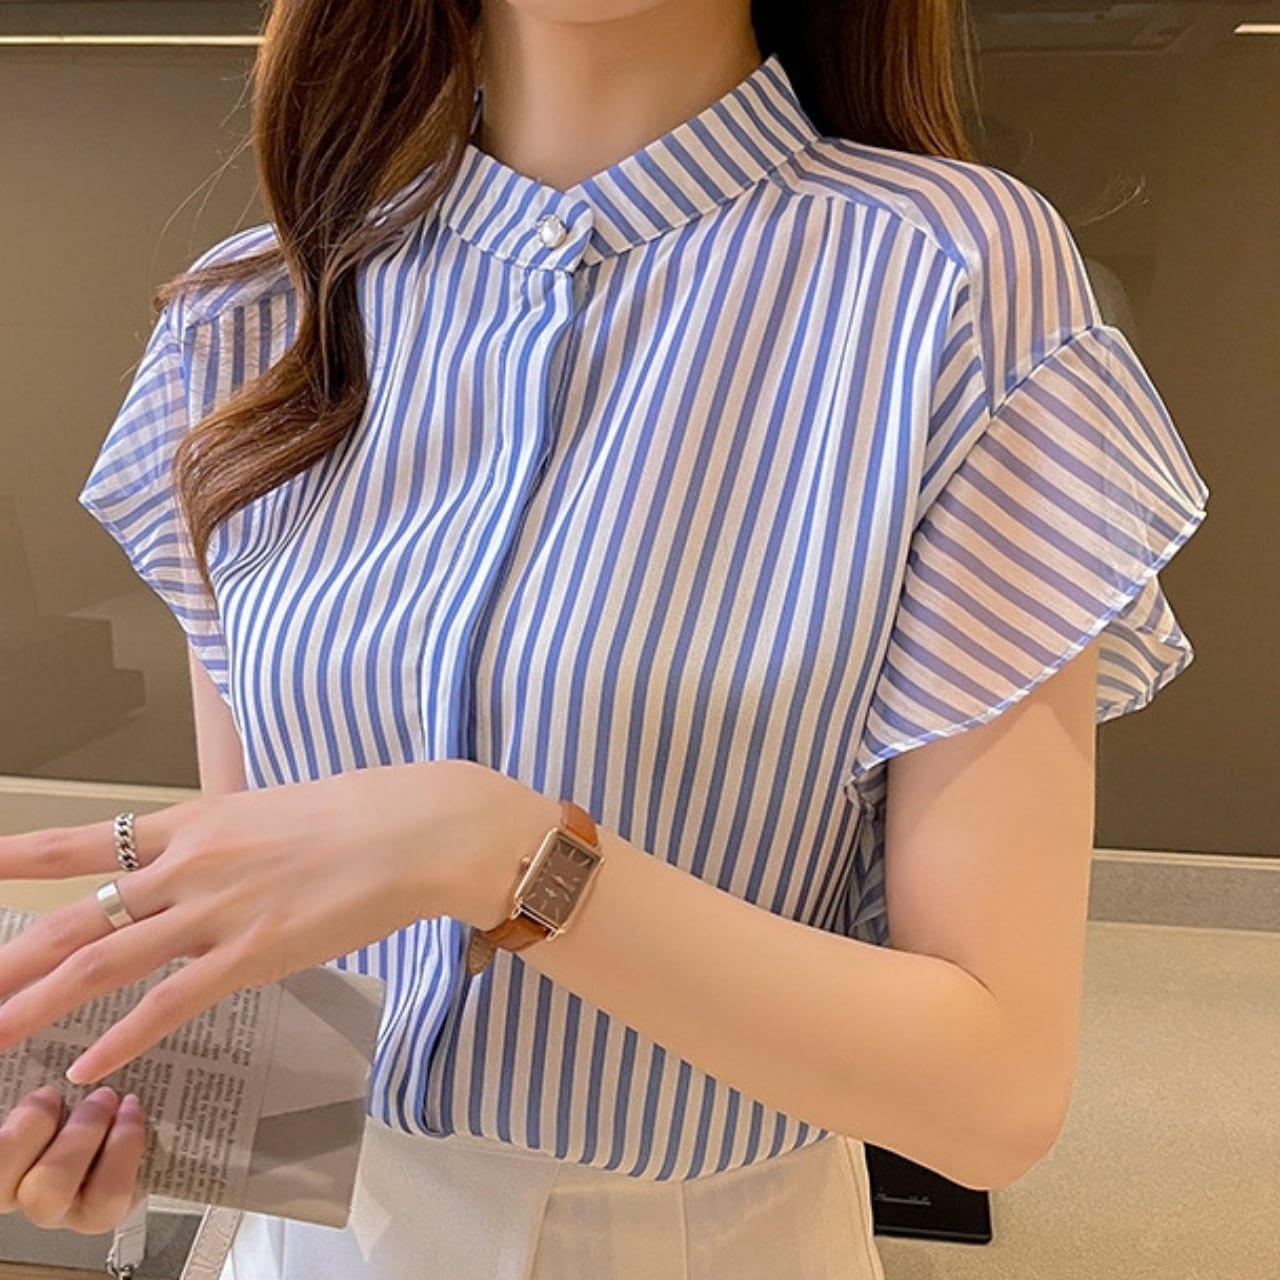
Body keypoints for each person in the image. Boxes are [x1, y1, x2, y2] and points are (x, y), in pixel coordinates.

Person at [0, 0, 1211, 1276]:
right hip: (314, 1245)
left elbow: (991, 1096)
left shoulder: (951, 281)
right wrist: (124, 1122)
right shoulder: (257, 309)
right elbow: (277, 983)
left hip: (708, 1243)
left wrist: (489, 846)